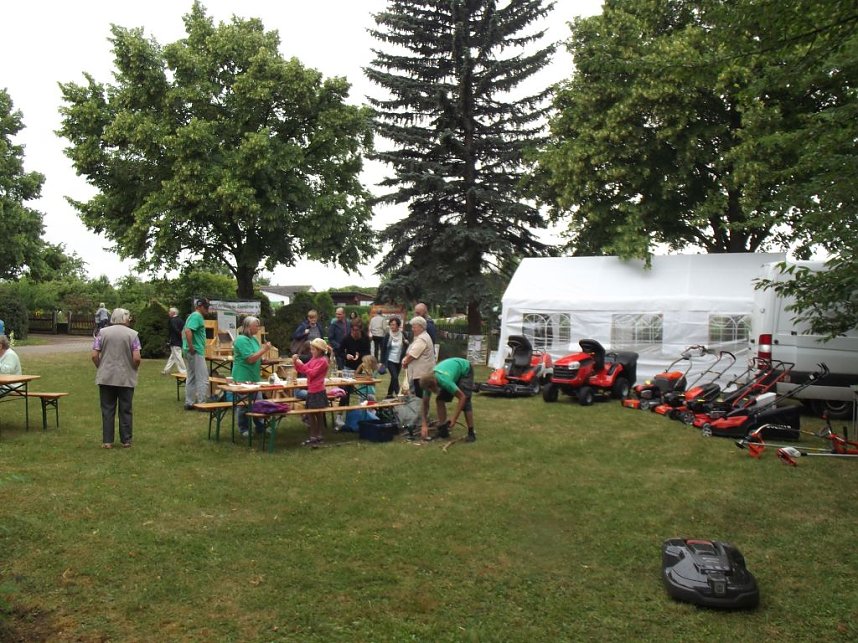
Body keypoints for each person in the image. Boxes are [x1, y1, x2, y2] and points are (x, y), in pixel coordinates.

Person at [91, 308, 141, 448]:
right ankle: (126, 440)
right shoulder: (133, 334)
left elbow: (94, 355)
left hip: (106, 376)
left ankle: (107, 441)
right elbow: (136, 357)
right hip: (125, 377)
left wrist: (100, 367)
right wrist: (134, 368)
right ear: (125, 319)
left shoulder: (102, 333)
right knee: (125, 408)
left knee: (107, 409)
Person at [231, 315, 272, 438]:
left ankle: (260, 427)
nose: (258, 328)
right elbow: (249, 359)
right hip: (243, 376)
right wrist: (264, 350)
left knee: (258, 402)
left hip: (254, 377)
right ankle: (244, 428)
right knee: (244, 404)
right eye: (256, 325)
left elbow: (256, 355)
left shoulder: (254, 339)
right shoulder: (241, 340)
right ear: (248, 327)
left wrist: (263, 359)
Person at [419, 357, 477, 443]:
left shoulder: (444, 381)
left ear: (433, 384)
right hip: (451, 372)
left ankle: (471, 432)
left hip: (465, 370)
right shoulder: (427, 384)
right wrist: (424, 424)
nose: (430, 392)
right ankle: (443, 431)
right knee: (439, 400)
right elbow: (425, 404)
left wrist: (454, 419)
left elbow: (462, 398)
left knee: (466, 402)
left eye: (431, 390)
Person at [292, 337, 331, 447]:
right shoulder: (314, 359)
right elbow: (303, 369)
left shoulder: (323, 361)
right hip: (311, 391)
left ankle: (318, 436)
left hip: (318, 391)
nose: (311, 351)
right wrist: (296, 363)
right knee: (311, 414)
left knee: (316, 414)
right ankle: (314, 436)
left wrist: (300, 365)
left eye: (313, 349)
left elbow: (312, 373)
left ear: (320, 350)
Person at [400, 316, 436, 432]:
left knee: (420, 398)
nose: (412, 329)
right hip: (423, 373)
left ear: (420, 327)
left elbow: (412, 355)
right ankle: (422, 419)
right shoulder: (423, 337)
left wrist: (405, 362)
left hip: (421, 374)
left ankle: (420, 421)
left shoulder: (422, 339)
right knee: (422, 397)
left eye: (414, 327)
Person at [183, 298, 211, 410]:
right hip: (195, 351)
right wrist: (191, 346)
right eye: (205, 307)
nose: (207, 309)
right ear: (199, 307)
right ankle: (202, 403)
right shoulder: (197, 316)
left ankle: (189, 403)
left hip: (189, 351)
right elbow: (188, 330)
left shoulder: (193, 316)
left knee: (191, 377)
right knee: (203, 378)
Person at [380, 317, 408, 397]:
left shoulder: (403, 334)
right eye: (391, 325)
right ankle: (398, 393)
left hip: (399, 360)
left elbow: (407, 345)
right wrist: (382, 362)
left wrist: (406, 343)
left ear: (398, 326)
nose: (392, 326)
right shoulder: (388, 335)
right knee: (395, 377)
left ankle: (389, 395)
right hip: (390, 359)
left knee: (394, 378)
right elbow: (383, 349)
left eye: (394, 325)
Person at [162, 307, 187, 375]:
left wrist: (177, 336)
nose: (168, 313)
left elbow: (175, 330)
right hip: (179, 340)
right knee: (173, 357)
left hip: (175, 341)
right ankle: (166, 370)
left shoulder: (172, 320)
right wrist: (182, 337)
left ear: (173, 313)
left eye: (170, 312)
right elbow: (184, 329)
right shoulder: (181, 320)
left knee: (178, 356)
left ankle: (184, 371)